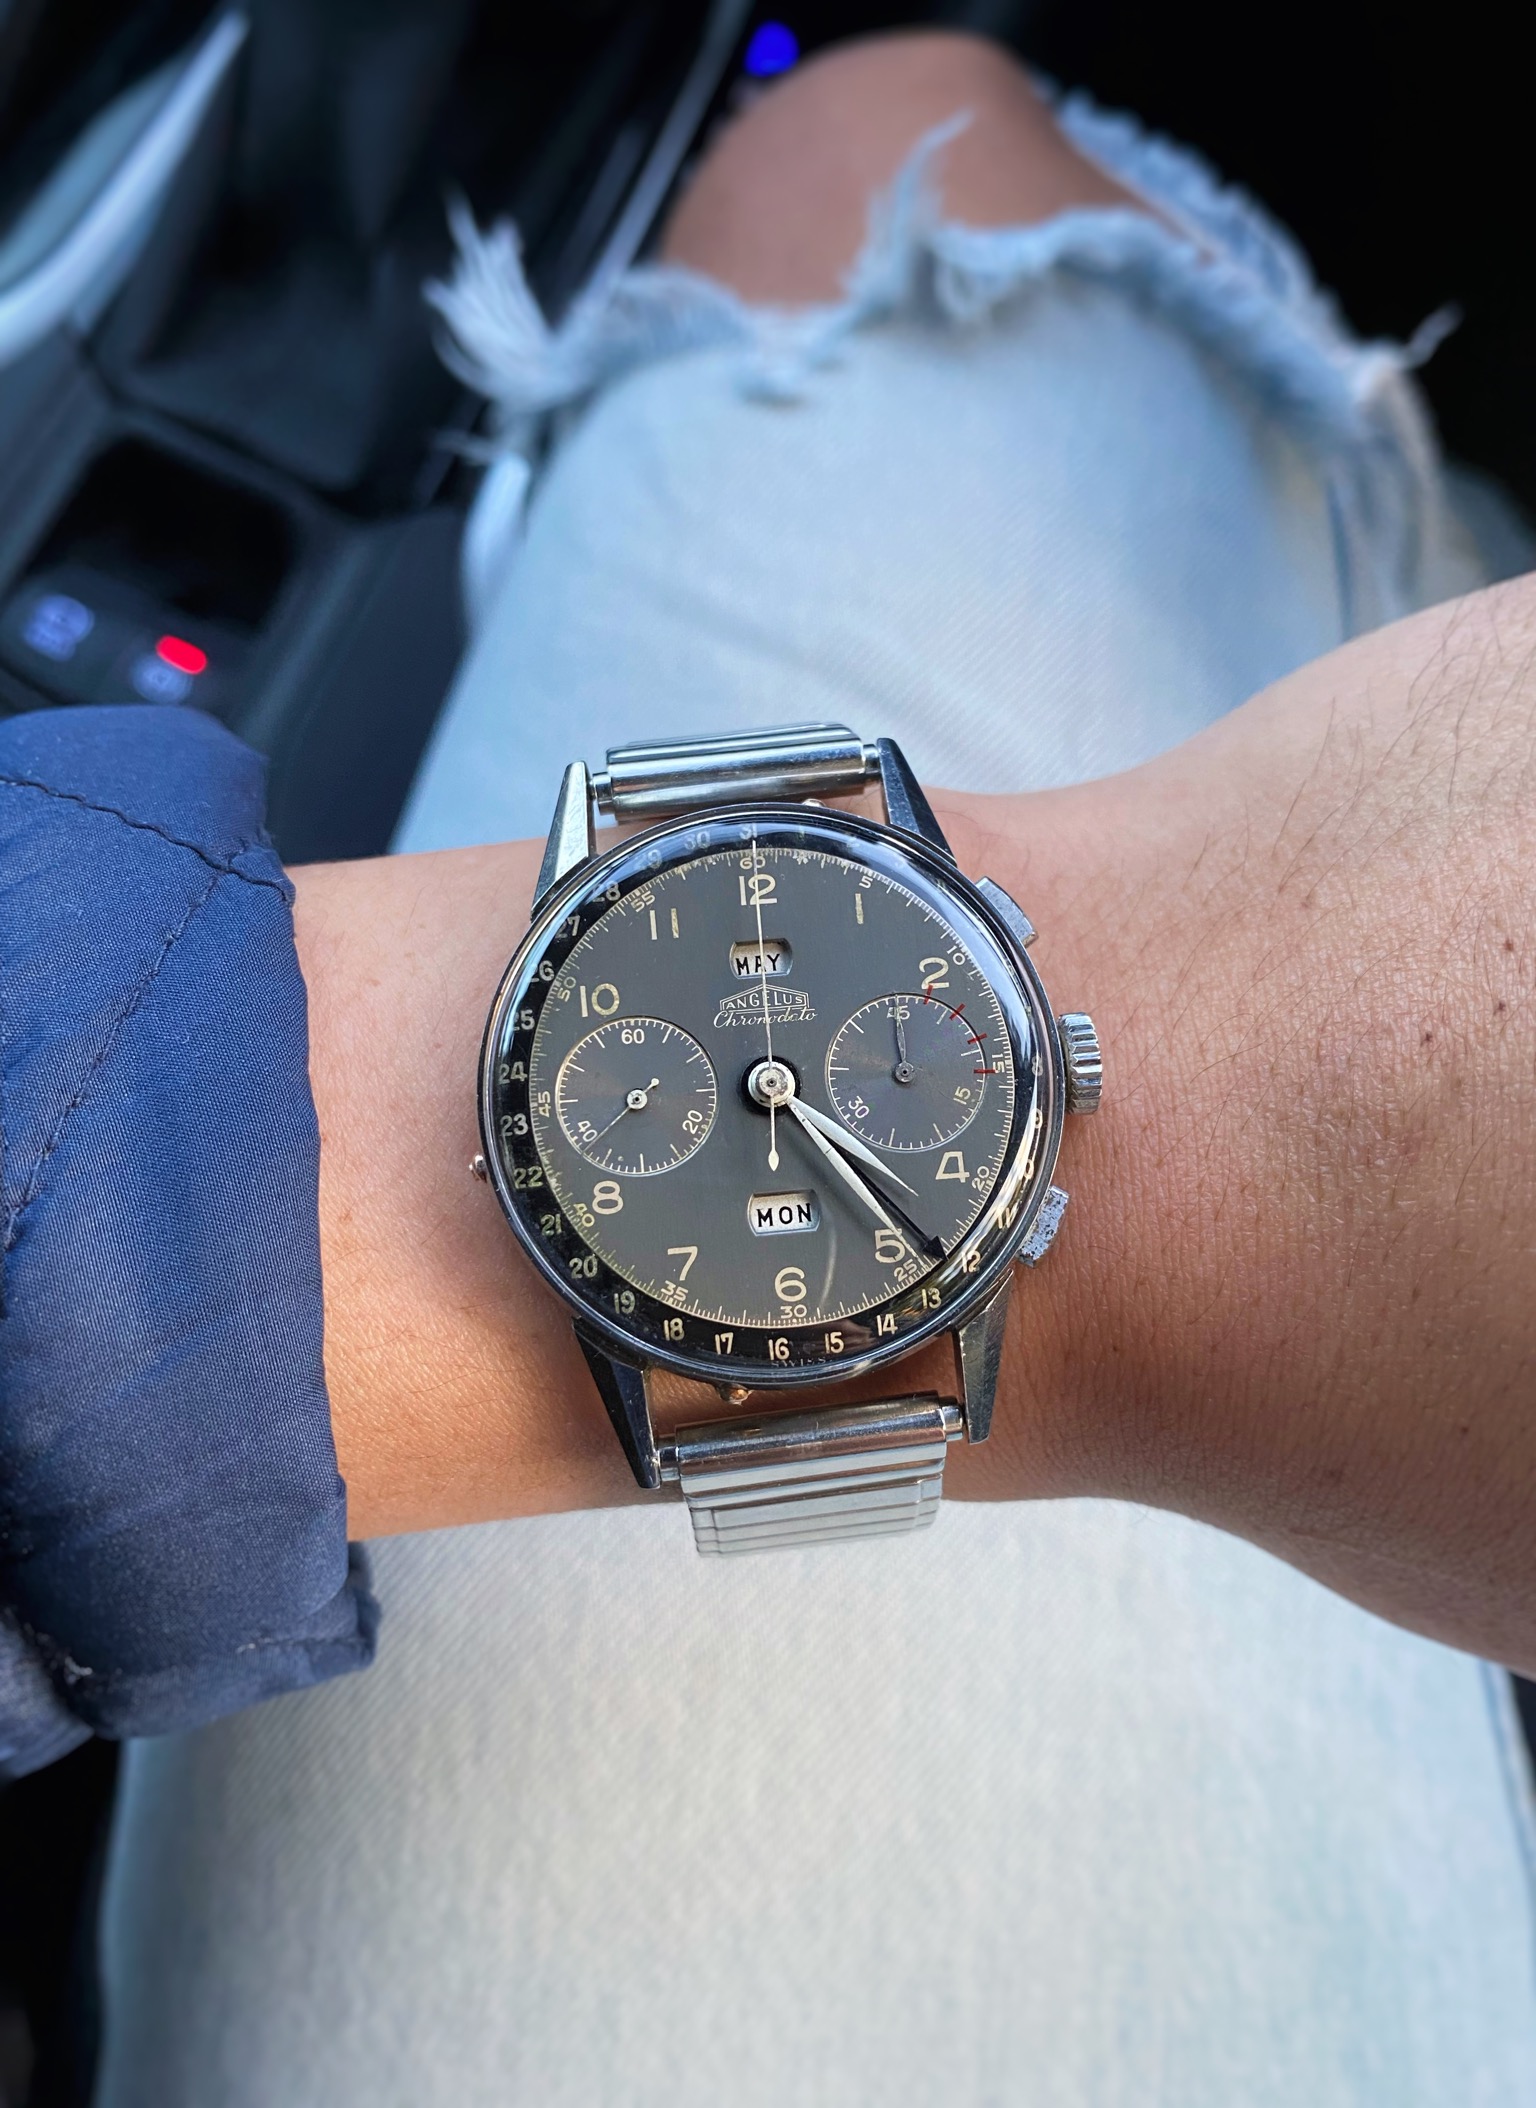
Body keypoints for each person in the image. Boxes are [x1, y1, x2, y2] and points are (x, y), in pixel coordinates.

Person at [0, 29, 1530, 2103]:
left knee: (888, 133)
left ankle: (1384, 528)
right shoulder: (819, 1126)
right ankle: (1396, 523)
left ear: (1052, 1061)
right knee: (898, 129)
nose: (783, 1091)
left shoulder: (965, 1094)